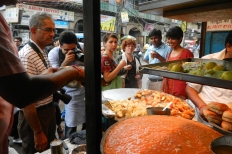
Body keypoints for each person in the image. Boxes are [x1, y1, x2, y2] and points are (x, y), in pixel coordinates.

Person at [0, 1, 84, 153]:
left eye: (53, 30)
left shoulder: (42, 51)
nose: (52, 34)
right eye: (47, 30)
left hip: (47, 111)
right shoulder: (27, 54)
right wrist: (38, 132)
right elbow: (26, 100)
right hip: (35, 118)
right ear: (33, 30)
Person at [185, 30, 232, 124]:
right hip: (202, 120)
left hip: (227, 124)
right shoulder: (208, 61)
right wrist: (202, 106)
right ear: (229, 46)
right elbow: (190, 89)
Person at [48, 31, 86, 138]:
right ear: (59, 45)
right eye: (66, 50)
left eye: (72, 49)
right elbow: (54, 75)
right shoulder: (54, 53)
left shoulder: (83, 47)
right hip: (69, 92)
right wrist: (65, 62)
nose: (70, 52)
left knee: (88, 121)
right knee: (71, 123)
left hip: (85, 90)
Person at [162, 26, 194, 99]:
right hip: (167, 88)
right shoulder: (169, 54)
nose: (170, 41)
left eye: (173, 38)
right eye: (169, 38)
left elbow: (191, 73)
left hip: (180, 90)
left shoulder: (187, 53)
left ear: (180, 39)